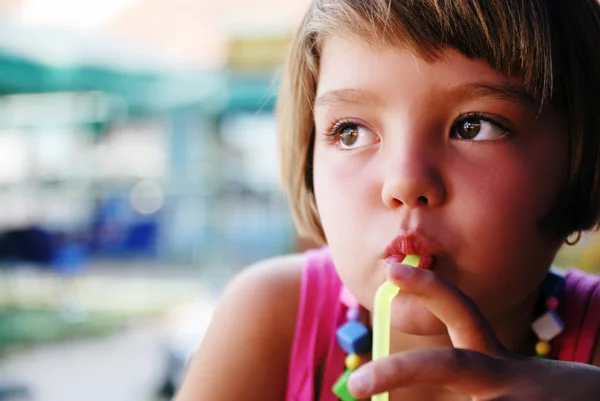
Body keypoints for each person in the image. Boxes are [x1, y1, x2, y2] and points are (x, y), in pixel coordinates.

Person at [174, 0, 600, 399]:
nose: (403, 181)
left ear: (581, 158)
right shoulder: (267, 319)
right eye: (351, 132)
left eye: (474, 126)